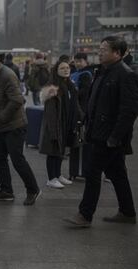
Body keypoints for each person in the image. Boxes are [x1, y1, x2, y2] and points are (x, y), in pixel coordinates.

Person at [64, 36, 138, 228]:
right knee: (117, 173)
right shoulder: (102, 72)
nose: (100, 52)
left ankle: (85, 215)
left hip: (109, 137)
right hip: (98, 132)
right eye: (101, 48)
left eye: (104, 49)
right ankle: (128, 212)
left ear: (117, 53)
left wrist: (115, 137)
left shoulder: (125, 74)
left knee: (92, 172)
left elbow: (129, 111)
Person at [0, 51, 41, 206]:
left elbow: (17, 100)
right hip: (3, 126)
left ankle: (33, 189)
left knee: (17, 160)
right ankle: (6, 190)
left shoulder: (7, 75)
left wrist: (2, 116)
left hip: (14, 125)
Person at [39, 60, 83, 189]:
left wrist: (81, 116)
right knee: (52, 151)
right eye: (62, 68)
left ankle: (58, 175)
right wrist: (53, 130)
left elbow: (75, 105)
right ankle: (51, 178)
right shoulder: (52, 87)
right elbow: (50, 111)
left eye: (67, 68)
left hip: (66, 123)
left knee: (61, 151)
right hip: (55, 124)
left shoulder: (70, 85)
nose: (66, 70)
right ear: (56, 71)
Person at [68, 52, 94, 180]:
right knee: (75, 142)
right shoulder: (73, 74)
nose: (78, 63)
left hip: (81, 112)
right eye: (76, 61)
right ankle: (74, 171)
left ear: (85, 61)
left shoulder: (86, 74)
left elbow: (85, 92)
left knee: (81, 142)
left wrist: (73, 93)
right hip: (73, 112)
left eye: (80, 61)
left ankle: (81, 171)